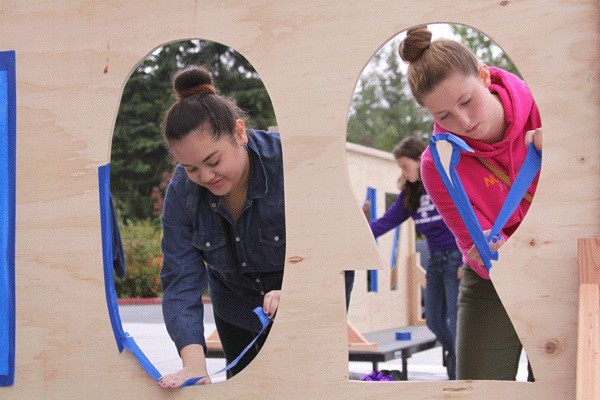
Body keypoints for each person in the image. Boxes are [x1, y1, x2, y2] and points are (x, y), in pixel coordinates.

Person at [398, 26, 542, 381]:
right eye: (443, 116)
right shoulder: (438, 164)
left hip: (566, 267)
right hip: (496, 282)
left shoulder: (545, 108)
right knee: (478, 385)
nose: (463, 122)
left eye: (466, 101)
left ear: (484, 75)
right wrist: (484, 246)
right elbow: (473, 243)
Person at [156, 65, 286, 388]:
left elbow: (332, 244)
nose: (206, 177)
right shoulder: (182, 193)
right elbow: (180, 279)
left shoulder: (286, 162)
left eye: (214, 162)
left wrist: (300, 291)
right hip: (236, 306)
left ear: (239, 133)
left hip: (303, 302)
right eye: (191, 168)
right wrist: (194, 365)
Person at [365, 136, 462, 380]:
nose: (403, 172)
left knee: (455, 322)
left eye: (405, 166)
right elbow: (386, 222)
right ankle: (457, 357)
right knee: (435, 321)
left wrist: (465, 259)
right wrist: (361, 231)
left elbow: (467, 216)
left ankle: (459, 373)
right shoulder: (411, 194)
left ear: (421, 160)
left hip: (456, 259)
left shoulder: (443, 182)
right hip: (436, 263)